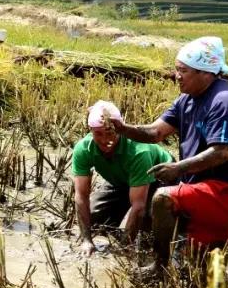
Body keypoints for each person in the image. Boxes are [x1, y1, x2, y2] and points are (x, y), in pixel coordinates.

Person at [111, 37, 228, 282]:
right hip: (203, 190)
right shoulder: (186, 100)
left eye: (183, 71)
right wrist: (122, 128)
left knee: (162, 198)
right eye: (176, 69)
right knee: (204, 274)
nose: (176, 76)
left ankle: (159, 267)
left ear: (205, 73)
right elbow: (155, 133)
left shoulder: (224, 100)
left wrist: (177, 168)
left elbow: (224, 151)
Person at [71, 101, 174, 255]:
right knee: (94, 218)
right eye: (98, 134)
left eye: (110, 132)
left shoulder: (139, 151)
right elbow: (81, 195)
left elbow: (138, 206)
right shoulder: (83, 149)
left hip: (158, 180)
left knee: (145, 231)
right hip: (122, 181)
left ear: (119, 130)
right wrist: (87, 240)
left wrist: (124, 249)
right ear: (90, 130)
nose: (105, 140)